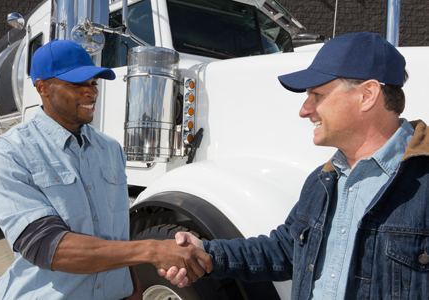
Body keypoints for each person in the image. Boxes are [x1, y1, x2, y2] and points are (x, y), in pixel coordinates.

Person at [159, 31, 429, 299]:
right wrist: (208, 253)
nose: (304, 109)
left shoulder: (423, 182)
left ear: (367, 95)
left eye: (317, 95)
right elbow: (287, 249)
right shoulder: (322, 180)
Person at [0, 39, 211, 300]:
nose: (91, 93)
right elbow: (48, 247)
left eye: (93, 83)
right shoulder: (9, 153)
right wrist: (152, 250)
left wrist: (134, 291)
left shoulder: (110, 150)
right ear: (42, 87)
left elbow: (119, 236)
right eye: (77, 84)